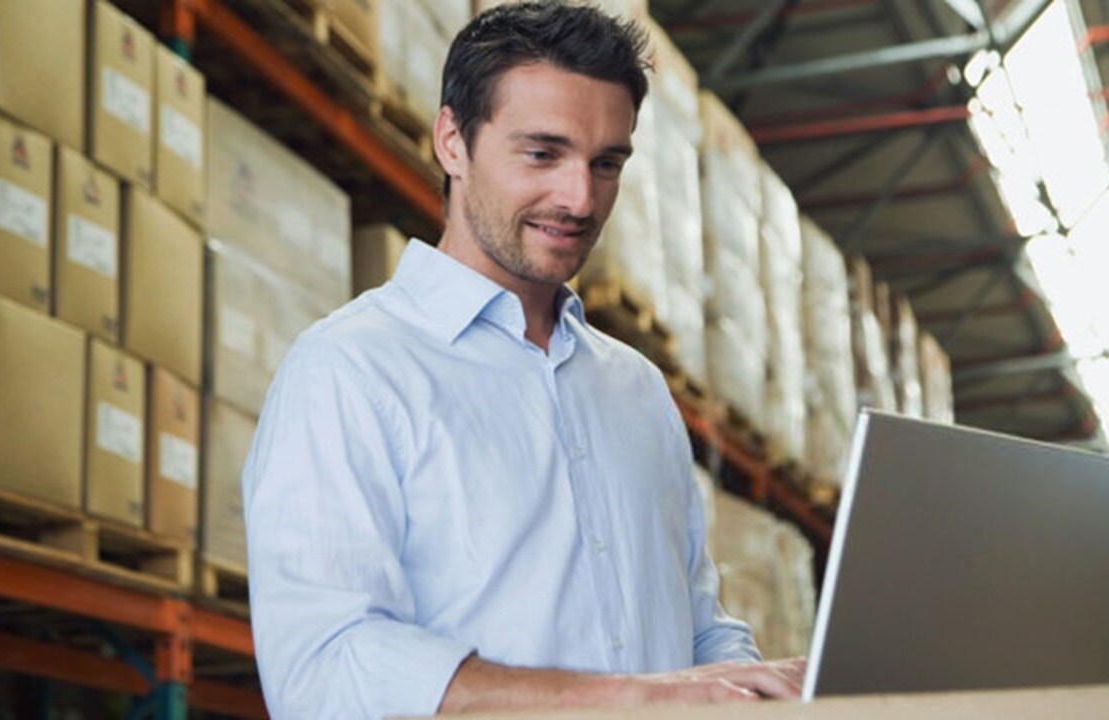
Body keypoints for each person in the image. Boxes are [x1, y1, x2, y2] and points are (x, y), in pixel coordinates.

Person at [242, 1, 806, 717]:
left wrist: (769, 685)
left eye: (607, 163)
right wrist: (626, 697)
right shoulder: (351, 371)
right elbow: (328, 669)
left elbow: (695, 627)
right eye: (543, 153)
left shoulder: (633, 388)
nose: (579, 198)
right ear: (452, 140)